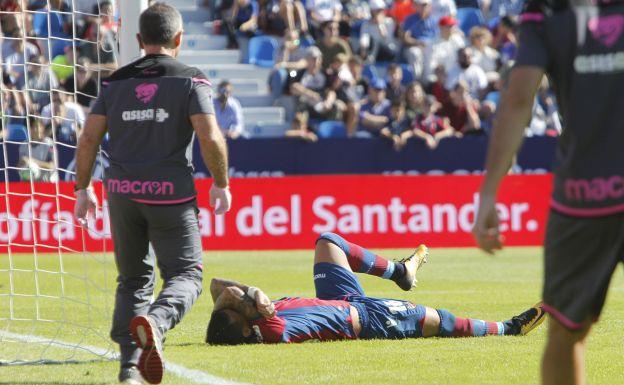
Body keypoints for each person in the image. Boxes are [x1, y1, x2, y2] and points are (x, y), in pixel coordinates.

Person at [73, 4, 232, 384]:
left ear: (140, 41)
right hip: (170, 194)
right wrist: (221, 183)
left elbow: (89, 137)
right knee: (187, 273)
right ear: (179, 39)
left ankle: (129, 368)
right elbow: (209, 135)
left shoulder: (115, 82)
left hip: (122, 192)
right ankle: (156, 324)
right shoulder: (190, 79)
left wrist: (82, 189)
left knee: (132, 280)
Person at [472, 1, 624, 385]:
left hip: (586, 193)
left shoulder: (546, 9)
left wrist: (489, 194)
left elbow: (519, 99)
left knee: (566, 332)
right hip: (586, 194)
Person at [206, 232, 546, 345]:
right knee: (439, 321)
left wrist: (233, 300)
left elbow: (215, 285)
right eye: (234, 308)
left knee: (328, 241)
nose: (230, 300)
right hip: (368, 319)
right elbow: (251, 297)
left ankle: (401, 271)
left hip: (337, 299)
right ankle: (509, 329)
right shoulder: (271, 328)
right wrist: (243, 294)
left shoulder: (253, 321)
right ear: (249, 325)